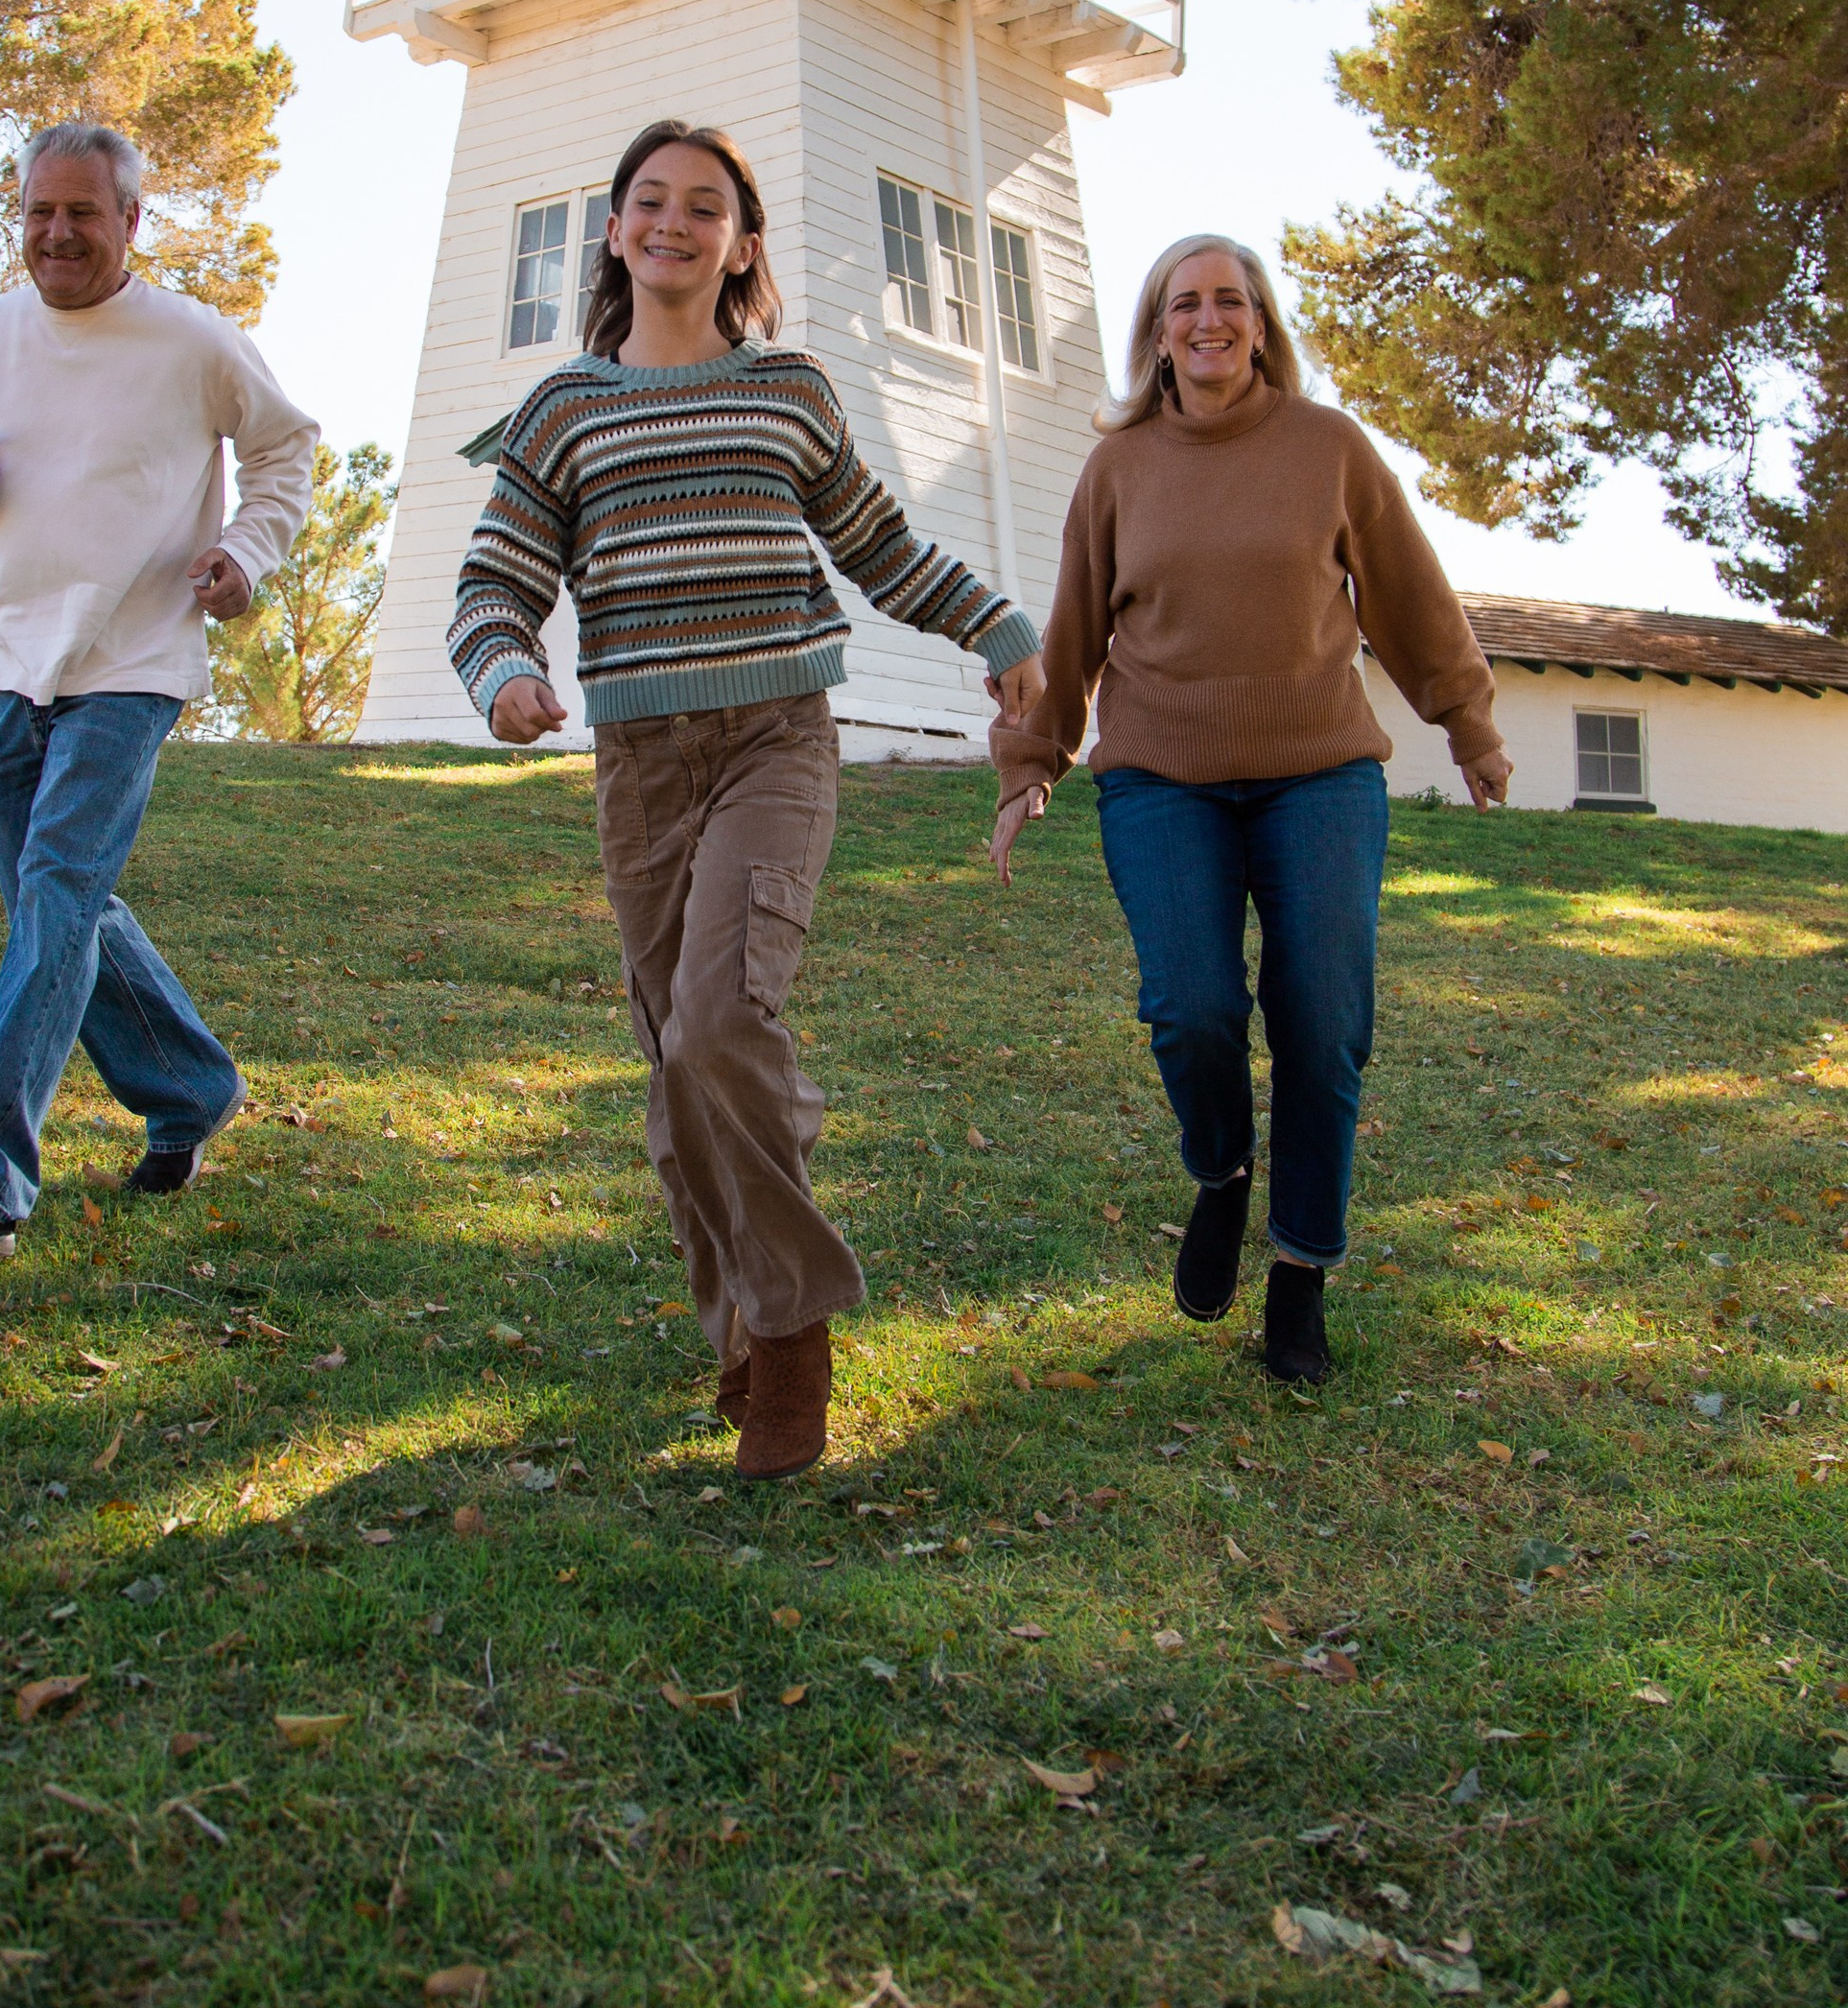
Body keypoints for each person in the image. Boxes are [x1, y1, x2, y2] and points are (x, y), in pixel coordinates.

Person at [450, 117, 1046, 1480]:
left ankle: (792, 1341)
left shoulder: (789, 387)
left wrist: (999, 629)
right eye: (648, 202)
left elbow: (882, 547)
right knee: (677, 1068)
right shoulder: (562, 414)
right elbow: (495, 585)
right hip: (641, 762)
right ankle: (735, 1319)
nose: (674, 222)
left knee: (722, 1019)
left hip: (777, 739)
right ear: (612, 232)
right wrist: (501, 679)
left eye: (703, 206)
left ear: (741, 243)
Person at [989, 234, 1510, 1385]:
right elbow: (1073, 629)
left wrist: (1465, 723)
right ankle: (1220, 1174)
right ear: (1157, 330)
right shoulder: (1117, 467)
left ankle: (1301, 1267)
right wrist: (1032, 761)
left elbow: (1412, 602)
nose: (1208, 320)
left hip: (1319, 773)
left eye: (1231, 301)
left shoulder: (1329, 449)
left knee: (1322, 1018)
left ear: (1262, 323)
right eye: (1185, 304)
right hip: (1160, 778)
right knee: (1193, 1007)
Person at [0, 123, 319, 1261]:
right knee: (60, 904)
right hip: (14, 663)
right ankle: (190, 1087)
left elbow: (287, 450)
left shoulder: (189, 340)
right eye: (38, 211)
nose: (56, 233)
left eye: (82, 212)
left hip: (134, 661)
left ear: (131, 222)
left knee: (59, 888)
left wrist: (246, 553)